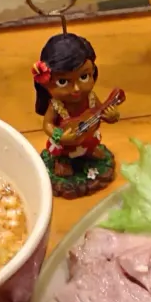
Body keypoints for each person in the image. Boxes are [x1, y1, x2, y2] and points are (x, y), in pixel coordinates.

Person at [33, 33, 120, 188]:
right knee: (61, 150)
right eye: (63, 81)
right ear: (46, 83)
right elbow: (47, 124)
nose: (76, 88)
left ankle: (89, 152)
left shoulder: (91, 98)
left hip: (86, 136)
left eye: (84, 77)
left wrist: (111, 116)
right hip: (66, 141)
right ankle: (62, 161)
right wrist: (59, 136)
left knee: (90, 140)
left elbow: (101, 111)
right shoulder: (56, 105)